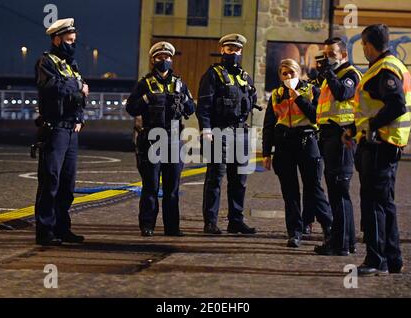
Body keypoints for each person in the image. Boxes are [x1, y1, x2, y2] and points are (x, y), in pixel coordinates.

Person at [352, 24, 411, 275]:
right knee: (384, 203)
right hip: (386, 143)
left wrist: (372, 126)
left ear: (368, 45)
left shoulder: (383, 69)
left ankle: (376, 260)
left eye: (363, 45)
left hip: (379, 144)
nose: (363, 50)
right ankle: (392, 258)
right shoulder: (395, 66)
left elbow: (396, 104)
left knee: (375, 204)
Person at [126, 41, 195, 237]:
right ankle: (147, 225)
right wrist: (146, 99)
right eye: (160, 57)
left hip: (174, 140)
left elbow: (191, 109)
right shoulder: (144, 83)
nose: (164, 60)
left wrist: (185, 101)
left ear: (171, 59)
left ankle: (172, 227)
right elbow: (131, 108)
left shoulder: (180, 84)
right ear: (153, 60)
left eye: (167, 57)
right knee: (151, 186)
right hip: (152, 140)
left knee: (172, 188)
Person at [262, 58, 332, 248]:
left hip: (307, 141)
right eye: (284, 74)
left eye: (291, 72)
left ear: (298, 73)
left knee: (313, 188)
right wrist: (266, 152)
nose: (288, 76)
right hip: (284, 144)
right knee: (290, 192)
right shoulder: (276, 95)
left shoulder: (310, 90)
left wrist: (297, 97)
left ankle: (329, 228)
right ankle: (294, 232)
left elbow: (315, 115)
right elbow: (269, 125)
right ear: (280, 76)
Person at [197, 34, 257, 235]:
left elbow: (251, 100)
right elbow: (204, 105)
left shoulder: (245, 77)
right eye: (230, 49)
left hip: (241, 131)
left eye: (237, 50)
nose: (234, 53)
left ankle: (236, 220)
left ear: (241, 52)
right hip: (218, 131)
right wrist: (205, 128)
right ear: (222, 50)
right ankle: (210, 222)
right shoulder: (213, 74)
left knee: (239, 179)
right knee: (215, 178)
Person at [34, 18, 88, 246]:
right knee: (51, 180)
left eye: (74, 40)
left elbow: (81, 95)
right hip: (54, 129)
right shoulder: (46, 62)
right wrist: (77, 88)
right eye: (68, 40)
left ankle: (62, 228)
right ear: (57, 39)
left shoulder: (72, 66)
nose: (72, 44)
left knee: (67, 183)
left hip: (70, 130)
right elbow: (51, 88)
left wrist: (80, 118)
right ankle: (45, 231)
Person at [313, 37, 362, 256]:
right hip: (329, 136)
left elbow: (344, 93)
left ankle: (340, 244)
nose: (328, 57)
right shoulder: (329, 77)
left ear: (344, 54)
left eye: (332, 53)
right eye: (325, 53)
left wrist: (329, 74)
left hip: (342, 137)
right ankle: (346, 241)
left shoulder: (350, 74)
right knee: (336, 192)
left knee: (339, 191)